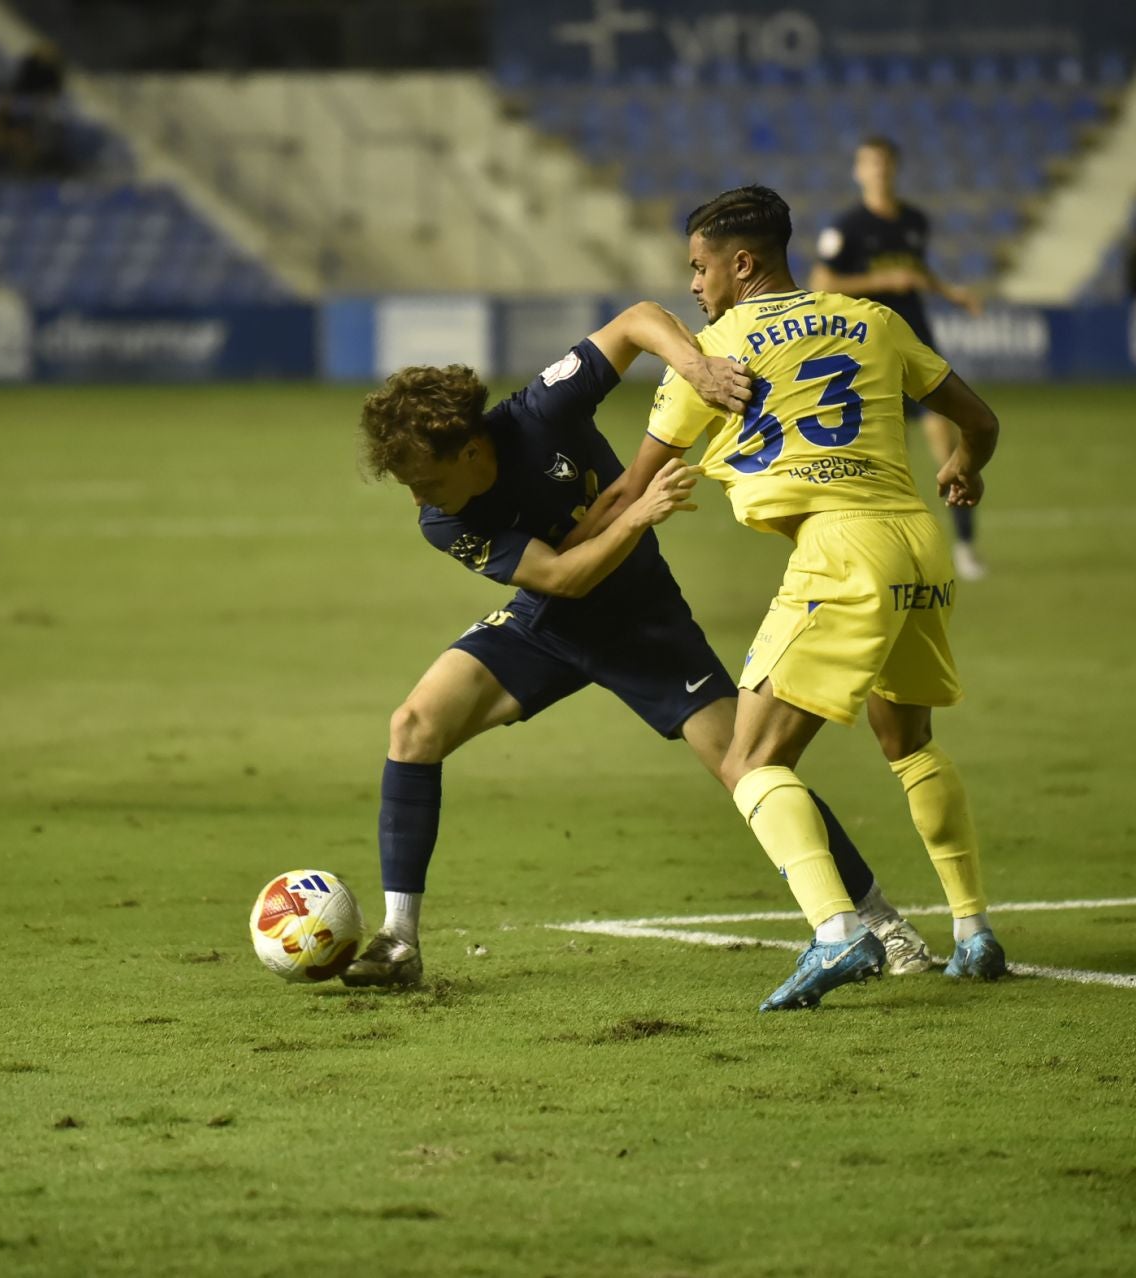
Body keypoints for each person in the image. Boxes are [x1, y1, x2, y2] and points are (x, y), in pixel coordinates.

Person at [345, 302, 938, 987]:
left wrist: (698, 368)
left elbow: (635, 322)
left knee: (749, 766)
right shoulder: (441, 522)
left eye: (426, 478)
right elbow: (563, 578)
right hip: (549, 620)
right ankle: (399, 940)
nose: (419, 497)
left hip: (640, 622)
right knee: (413, 726)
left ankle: (879, 922)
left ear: (472, 449)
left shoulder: (539, 412)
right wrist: (636, 513)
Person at [583, 186, 1005, 1011]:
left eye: (701, 268)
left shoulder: (714, 351)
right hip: (917, 544)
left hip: (841, 552)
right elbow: (980, 420)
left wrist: (561, 540)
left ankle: (836, 933)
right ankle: (973, 930)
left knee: (750, 759)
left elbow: (631, 489)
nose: (695, 286)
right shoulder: (872, 320)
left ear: (744, 264)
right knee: (908, 738)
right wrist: (963, 466)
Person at [810, 136, 988, 582]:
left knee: (946, 444)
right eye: (870, 164)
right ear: (859, 171)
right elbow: (822, 283)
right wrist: (882, 279)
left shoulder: (914, 222)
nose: (878, 171)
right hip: (873, 352)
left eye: (885, 164)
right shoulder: (846, 227)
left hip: (919, 346)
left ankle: (965, 548)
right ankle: (893, 551)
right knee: (891, 459)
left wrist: (951, 292)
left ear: (894, 168)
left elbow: (918, 272)